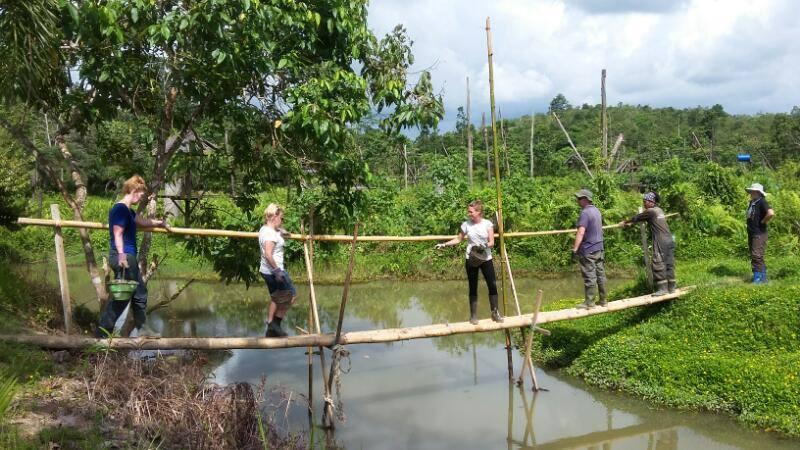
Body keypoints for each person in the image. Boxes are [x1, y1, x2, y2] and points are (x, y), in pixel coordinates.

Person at [96, 175, 169, 337]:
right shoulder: (120, 209)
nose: (141, 198)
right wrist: (122, 255)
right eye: (141, 194)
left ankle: (142, 328)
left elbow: (142, 222)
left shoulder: (128, 211)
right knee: (123, 295)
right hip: (123, 256)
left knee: (140, 292)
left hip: (128, 256)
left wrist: (159, 223)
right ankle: (102, 332)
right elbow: (117, 233)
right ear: (134, 191)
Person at [435, 200, 503, 324]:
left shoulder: (487, 224)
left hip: (485, 258)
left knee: (492, 285)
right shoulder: (466, 224)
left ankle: (495, 313)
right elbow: (458, 239)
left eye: (471, 212)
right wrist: (444, 244)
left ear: (478, 212)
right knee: (473, 286)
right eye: (469, 211)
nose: (469, 214)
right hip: (471, 258)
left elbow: (492, 242)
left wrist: (484, 245)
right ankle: (473, 316)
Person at [621, 192, 676, 296]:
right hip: (669, 239)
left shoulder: (651, 211)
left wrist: (624, 222)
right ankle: (672, 288)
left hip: (661, 240)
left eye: (645, 201)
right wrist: (631, 223)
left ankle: (662, 289)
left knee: (658, 263)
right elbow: (643, 218)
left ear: (651, 202)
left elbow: (637, 217)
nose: (644, 204)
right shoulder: (659, 210)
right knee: (669, 263)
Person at [259, 203, 297, 337]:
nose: (282, 220)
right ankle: (275, 325)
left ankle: (270, 327)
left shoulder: (265, 229)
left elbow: (274, 232)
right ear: (274, 217)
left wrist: (281, 230)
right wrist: (277, 272)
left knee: (276, 297)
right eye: (281, 218)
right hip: (275, 271)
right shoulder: (270, 234)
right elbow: (268, 254)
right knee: (291, 296)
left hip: (266, 270)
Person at [571, 189, 607, 309]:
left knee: (590, 276)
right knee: (600, 274)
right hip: (599, 248)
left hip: (589, 249)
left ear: (586, 199)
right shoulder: (597, 211)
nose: (578, 201)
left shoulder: (585, 213)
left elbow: (581, 232)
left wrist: (575, 249)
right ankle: (603, 300)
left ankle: (590, 303)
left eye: (580, 198)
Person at [745, 183, 774, 284]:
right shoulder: (752, 202)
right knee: (756, 256)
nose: (750, 193)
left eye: (752, 191)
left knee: (756, 255)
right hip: (752, 232)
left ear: (758, 192)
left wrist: (763, 221)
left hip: (759, 233)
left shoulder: (762, 202)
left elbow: (770, 213)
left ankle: (758, 280)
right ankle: (763, 278)